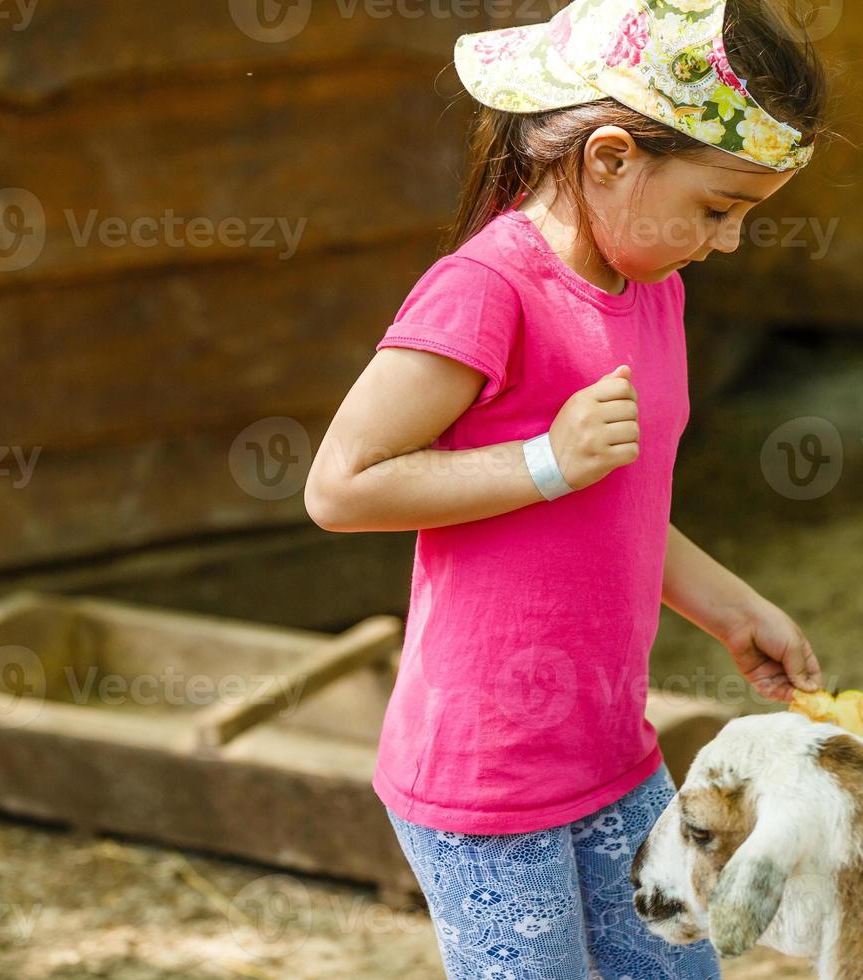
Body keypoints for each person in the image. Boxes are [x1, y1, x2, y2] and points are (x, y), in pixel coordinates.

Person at [304, 0, 829, 975]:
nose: (728, 242)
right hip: (487, 777)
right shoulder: (488, 289)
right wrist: (545, 458)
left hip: (609, 749)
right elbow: (340, 484)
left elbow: (614, 506)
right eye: (717, 208)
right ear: (611, 158)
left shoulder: (654, 288)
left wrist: (730, 607)